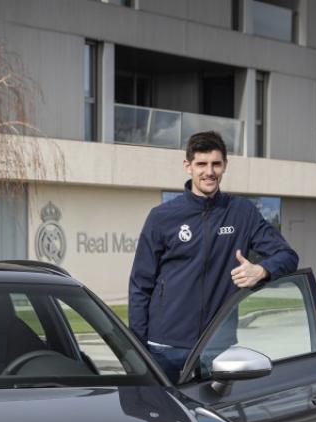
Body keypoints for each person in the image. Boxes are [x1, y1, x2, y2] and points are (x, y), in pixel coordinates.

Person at [128, 130, 299, 381]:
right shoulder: (162, 217)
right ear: (188, 166)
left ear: (225, 166)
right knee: (161, 419)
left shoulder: (241, 213)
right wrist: (138, 347)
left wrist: (261, 270)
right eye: (201, 164)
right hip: (164, 347)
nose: (209, 171)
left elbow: (287, 255)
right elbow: (140, 285)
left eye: (216, 164)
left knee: (215, 419)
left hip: (218, 347)